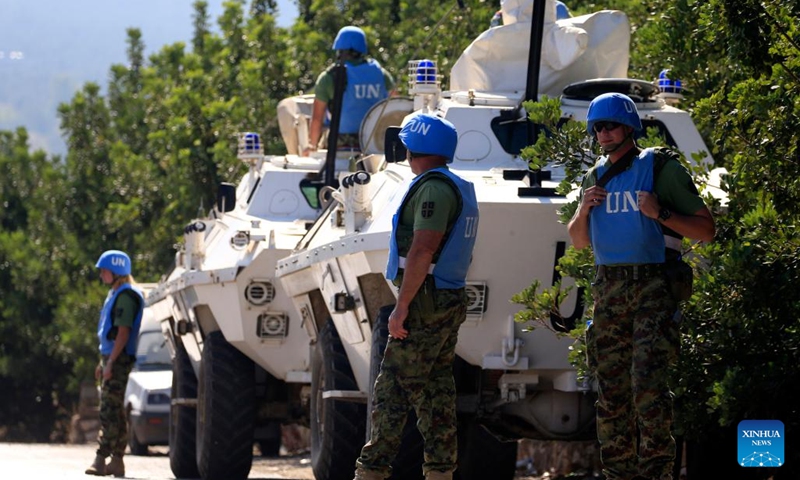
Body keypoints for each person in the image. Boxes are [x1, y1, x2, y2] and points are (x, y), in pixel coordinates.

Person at [568, 93, 715, 480]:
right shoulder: (594, 176)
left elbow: (706, 229)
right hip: (609, 291)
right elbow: (579, 241)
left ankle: (656, 473)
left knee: (648, 387)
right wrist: (582, 210)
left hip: (652, 286)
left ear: (629, 128)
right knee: (611, 392)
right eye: (597, 127)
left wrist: (660, 212)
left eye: (611, 125)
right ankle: (618, 473)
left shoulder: (659, 168)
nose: (603, 133)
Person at [353, 113, 479, 480]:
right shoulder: (456, 186)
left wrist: (402, 307)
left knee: (392, 391)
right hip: (446, 299)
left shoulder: (433, 189)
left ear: (415, 148)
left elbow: (423, 250)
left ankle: (371, 473)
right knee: (435, 393)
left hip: (425, 302)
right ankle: (440, 472)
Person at [85, 250, 145, 477]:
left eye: (104, 271)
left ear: (116, 271)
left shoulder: (126, 296)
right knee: (116, 410)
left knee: (109, 411)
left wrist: (110, 363)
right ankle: (117, 460)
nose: (101, 275)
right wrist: (104, 361)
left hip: (118, 359)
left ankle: (102, 458)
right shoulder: (117, 293)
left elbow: (123, 333)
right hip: (112, 357)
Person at [302, 26, 396, 157]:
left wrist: (312, 146)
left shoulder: (329, 77)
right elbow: (395, 105)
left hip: (341, 145)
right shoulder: (381, 73)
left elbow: (317, 118)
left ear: (338, 49)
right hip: (375, 144)